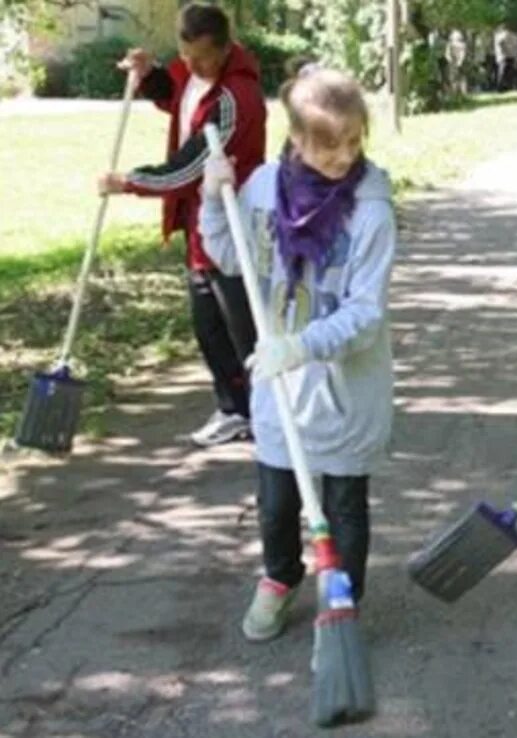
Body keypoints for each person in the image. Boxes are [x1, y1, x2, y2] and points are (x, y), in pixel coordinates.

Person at [199, 65, 397, 641]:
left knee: (343, 505)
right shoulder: (261, 188)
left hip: (343, 391)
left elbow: (364, 314)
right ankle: (280, 578)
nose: (344, 156)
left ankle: (341, 604)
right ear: (296, 139)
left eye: (354, 142)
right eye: (329, 145)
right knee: (276, 502)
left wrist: (301, 344)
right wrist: (214, 198)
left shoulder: (371, 209)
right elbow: (229, 256)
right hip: (279, 389)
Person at [104, 2, 267, 447]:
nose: (191, 66)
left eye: (200, 58)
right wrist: (149, 75)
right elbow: (174, 94)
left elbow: (191, 166)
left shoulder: (237, 97)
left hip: (233, 221)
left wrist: (130, 182)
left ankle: (269, 410)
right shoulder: (194, 72)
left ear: (224, 48)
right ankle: (235, 409)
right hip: (198, 221)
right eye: (184, 55)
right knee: (208, 324)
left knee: (243, 322)